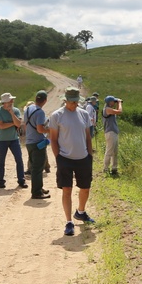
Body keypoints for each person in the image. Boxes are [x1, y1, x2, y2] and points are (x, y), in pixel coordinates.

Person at [49, 87, 95, 236]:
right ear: (66, 100)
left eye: (76, 101)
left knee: (85, 188)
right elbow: (53, 139)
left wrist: (90, 155)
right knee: (67, 190)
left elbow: (87, 136)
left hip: (83, 158)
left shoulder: (84, 114)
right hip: (65, 159)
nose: (75, 104)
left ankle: (81, 211)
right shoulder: (57, 116)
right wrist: (58, 158)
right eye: (72, 101)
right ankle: (69, 222)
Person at [0, 92, 26, 189]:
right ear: (5, 102)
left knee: (19, 159)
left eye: (12, 100)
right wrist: (13, 123)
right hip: (2, 140)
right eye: (10, 100)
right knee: (1, 161)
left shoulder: (15, 110)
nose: (12, 101)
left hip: (14, 139)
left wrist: (11, 113)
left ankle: (21, 180)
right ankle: (0, 181)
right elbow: (1, 126)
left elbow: (19, 124)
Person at [24, 90, 51, 200]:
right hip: (38, 142)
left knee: (35, 167)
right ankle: (36, 192)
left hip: (29, 141)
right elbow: (40, 129)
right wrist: (49, 130)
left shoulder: (28, 109)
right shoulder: (40, 112)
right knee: (38, 168)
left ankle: (39, 188)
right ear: (45, 101)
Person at [102, 94, 123, 176]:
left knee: (115, 152)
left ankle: (114, 168)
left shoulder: (109, 109)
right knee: (109, 151)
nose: (114, 102)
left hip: (113, 132)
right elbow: (120, 111)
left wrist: (118, 103)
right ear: (110, 102)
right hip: (110, 132)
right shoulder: (107, 109)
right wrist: (120, 103)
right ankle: (106, 168)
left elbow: (117, 111)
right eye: (113, 101)